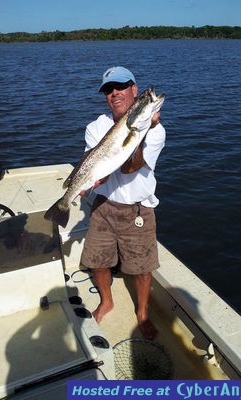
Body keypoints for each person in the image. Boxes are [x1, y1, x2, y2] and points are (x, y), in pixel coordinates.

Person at [80, 66, 166, 340]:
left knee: (141, 269)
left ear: (133, 90)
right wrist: (82, 185)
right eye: (108, 89)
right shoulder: (96, 127)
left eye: (120, 86)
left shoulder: (156, 131)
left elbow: (130, 168)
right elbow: (93, 165)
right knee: (98, 262)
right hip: (103, 206)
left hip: (138, 209)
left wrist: (142, 130)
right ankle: (107, 301)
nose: (114, 93)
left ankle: (142, 312)